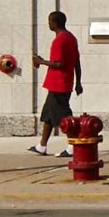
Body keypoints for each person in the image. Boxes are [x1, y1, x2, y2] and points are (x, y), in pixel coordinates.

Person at [30, 9, 81, 155]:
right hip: (64, 83)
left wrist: (41, 61)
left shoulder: (60, 40)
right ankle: (42, 145)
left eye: (49, 21)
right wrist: (78, 82)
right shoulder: (71, 37)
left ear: (55, 23)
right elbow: (76, 61)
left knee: (64, 116)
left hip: (58, 83)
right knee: (49, 115)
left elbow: (59, 64)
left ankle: (73, 146)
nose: (48, 24)